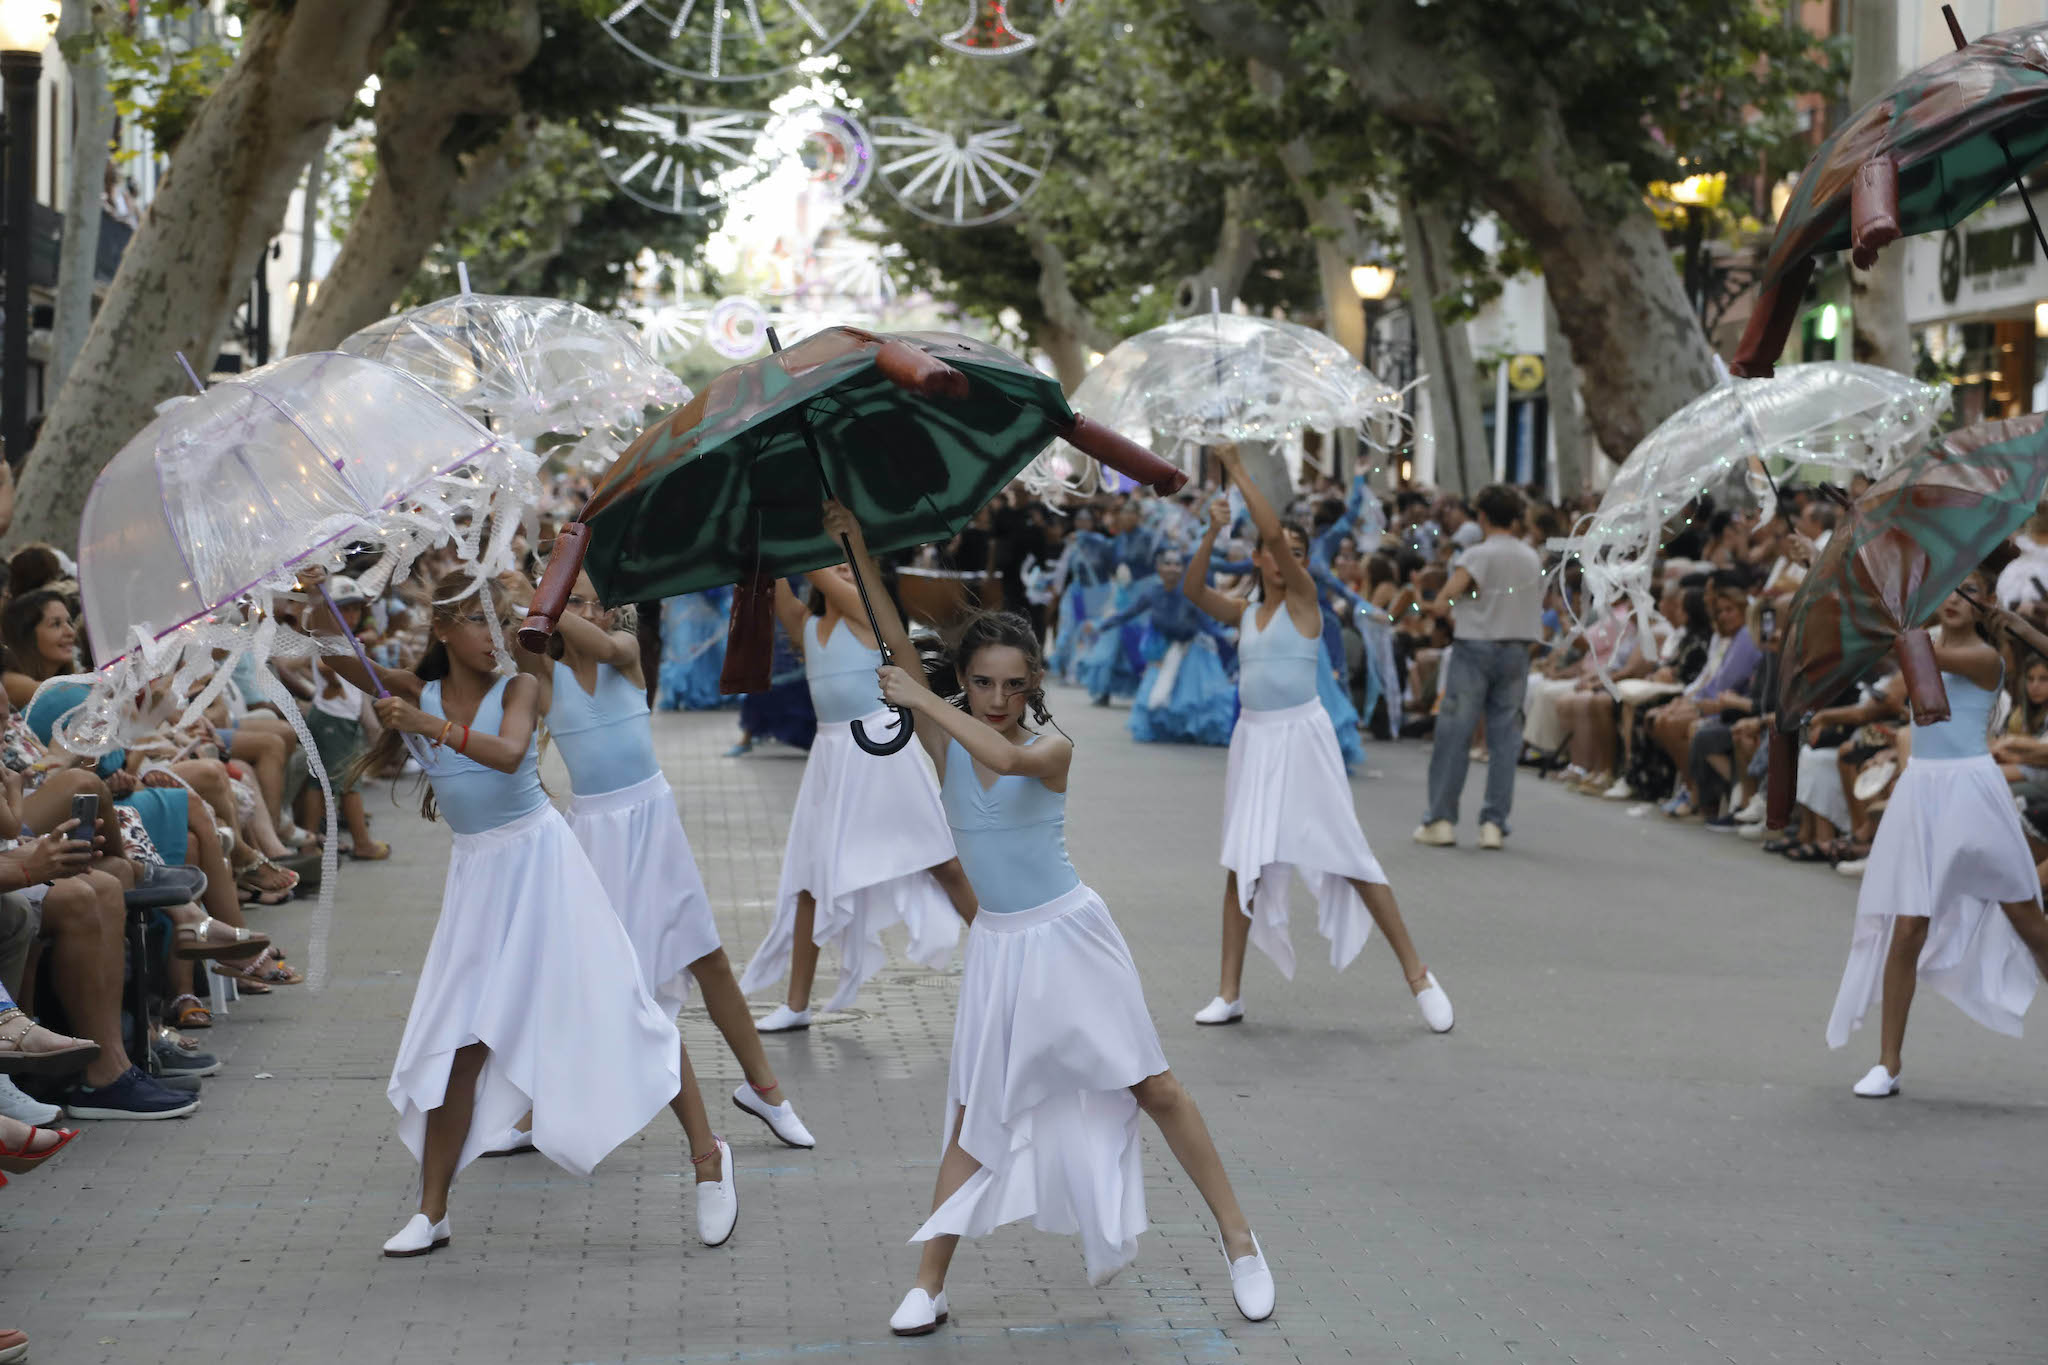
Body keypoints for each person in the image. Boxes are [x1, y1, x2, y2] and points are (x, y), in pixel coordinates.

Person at [829, 501, 1273, 1333]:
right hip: (999, 948)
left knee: (1155, 1087)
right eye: (981, 681)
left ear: (1034, 684)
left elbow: (1000, 752)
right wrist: (858, 543)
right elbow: (892, 640)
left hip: (1071, 934)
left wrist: (924, 699)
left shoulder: (1049, 746)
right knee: (973, 1110)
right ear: (966, 677)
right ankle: (930, 1280)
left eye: (1012, 683)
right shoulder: (946, 732)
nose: (996, 698)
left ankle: (1241, 1240)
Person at [315, 570, 712, 1257]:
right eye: (474, 620)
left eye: (499, 621)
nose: (492, 636)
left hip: (543, 866)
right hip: (479, 877)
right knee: (459, 1046)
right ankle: (431, 1211)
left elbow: (504, 756)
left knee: (623, 1003)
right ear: (441, 630)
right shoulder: (419, 690)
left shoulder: (519, 687)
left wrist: (428, 724)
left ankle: (709, 1156)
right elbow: (343, 657)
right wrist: (312, 607)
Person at [491, 573, 813, 1158]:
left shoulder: (627, 656)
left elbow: (606, 644)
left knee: (708, 959)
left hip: (653, 827)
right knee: (583, 973)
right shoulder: (543, 674)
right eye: (578, 598)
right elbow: (521, 644)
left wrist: (547, 600)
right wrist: (517, 594)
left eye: (598, 599)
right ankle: (539, 1108)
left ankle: (766, 1090)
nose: (594, 609)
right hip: (593, 836)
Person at [1181, 447, 1452, 1032]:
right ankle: (1229, 992)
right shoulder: (1245, 610)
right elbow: (1192, 590)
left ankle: (1419, 975)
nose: (1284, 559)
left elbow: (1277, 532)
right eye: (1276, 554)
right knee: (1242, 864)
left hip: (1303, 739)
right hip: (1253, 742)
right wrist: (1211, 531)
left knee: (1349, 856)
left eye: (1296, 555)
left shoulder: (1306, 603)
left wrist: (1237, 467)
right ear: (1254, 559)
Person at [1825, 577, 2048, 1098]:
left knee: (2029, 924)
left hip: (1972, 790)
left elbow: (1918, 653)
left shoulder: (1986, 658)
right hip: (1922, 789)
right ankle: (1888, 1063)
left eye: (1966, 591)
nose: (1952, 598)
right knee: (1908, 926)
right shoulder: (1919, 637)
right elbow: (1898, 674)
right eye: (1944, 587)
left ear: (1983, 604)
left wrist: (1887, 612)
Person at [735, 561, 977, 1031]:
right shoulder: (805, 625)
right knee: (809, 879)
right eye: (837, 566)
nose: (843, 572)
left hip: (881, 747)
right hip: (830, 759)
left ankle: (1005, 954)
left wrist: (809, 541)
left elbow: (811, 570)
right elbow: (775, 583)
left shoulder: (868, 617)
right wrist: (766, 537)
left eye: (850, 565)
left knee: (943, 862)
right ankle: (798, 1005)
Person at [1414, 484, 1546, 850]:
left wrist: (1435, 604)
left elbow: (1445, 600)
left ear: (1483, 516)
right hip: (1517, 648)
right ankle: (1494, 822)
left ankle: (1441, 818)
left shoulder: (1477, 555)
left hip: (1475, 646)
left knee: (1455, 733)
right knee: (1505, 738)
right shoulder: (1531, 557)